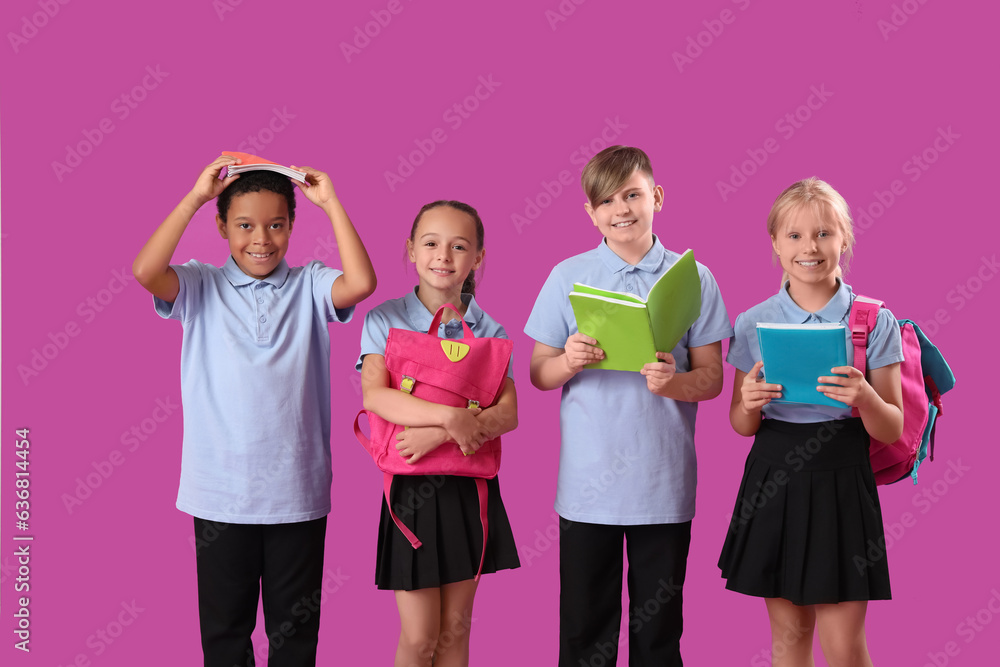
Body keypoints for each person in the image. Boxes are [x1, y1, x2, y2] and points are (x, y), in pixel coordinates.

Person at [132, 154, 377, 667]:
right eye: (244, 225)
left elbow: (361, 283)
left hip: (297, 491)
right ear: (221, 227)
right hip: (220, 494)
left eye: (276, 225)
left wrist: (331, 204)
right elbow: (145, 270)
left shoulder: (310, 284)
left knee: (295, 634)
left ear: (291, 226)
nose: (260, 238)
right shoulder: (199, 286)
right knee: (225, 632)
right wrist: (195, 197)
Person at [524, 145, 733, 666]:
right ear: (590, 212)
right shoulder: (566, 276)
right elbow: (537, 374)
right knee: (583, 627)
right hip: (586, 485)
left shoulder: (695, 279)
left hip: (663, 482)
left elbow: (711, 380)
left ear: (656, 197)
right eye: (607, 200)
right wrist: (568, 361)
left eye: (633, 195)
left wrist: (674, 382)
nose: (621, 209)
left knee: (659, 632)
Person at [719, 177, 904, 667]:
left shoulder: (874, 321)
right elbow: (741, 425)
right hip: (773, 476)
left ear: (845, 240)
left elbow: (892, 428)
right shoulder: (751, 322)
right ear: (776, 245)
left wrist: (864, 397)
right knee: (789, 635)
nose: (810, 247)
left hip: (844, 477)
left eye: (824, 234)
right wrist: (750, 402)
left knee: (844, 646)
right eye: (795, 235)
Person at [357, 200, 520, 667]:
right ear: (411, 250)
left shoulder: (489, 329)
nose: (443, 255)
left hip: (470, 489)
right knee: (419, 637)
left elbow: (507, 413)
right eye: (430, 243)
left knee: (454, 633)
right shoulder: (385, 319)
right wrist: (450, 419)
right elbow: (375, 397)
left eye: (459, 246)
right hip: (411, 489)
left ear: (478, 257)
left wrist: (441, 435)